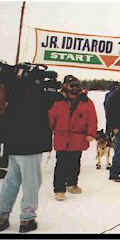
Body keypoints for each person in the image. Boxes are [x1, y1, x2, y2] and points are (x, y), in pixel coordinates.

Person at [0, 67, 57, 233]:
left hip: (13, 141)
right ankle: (27, 219)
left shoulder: (11, 85)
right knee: (31, 182)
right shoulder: (35, 88)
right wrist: (46, 83)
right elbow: (49, 101)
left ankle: (2, 216)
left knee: (11, 181)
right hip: (30, 142)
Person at [48, 75, 97, 201]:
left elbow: (92, 119)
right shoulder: (57, 100)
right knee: (61, 163)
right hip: (61, 136)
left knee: (75, 162)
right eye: (71, 85)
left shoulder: (86, 101)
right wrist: (48, 130)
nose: (74, 88)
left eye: (76, 85)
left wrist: (91, 133)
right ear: (65, 86)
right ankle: (59, 189)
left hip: (78, 137)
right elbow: (51, 117)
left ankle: (72, 184)